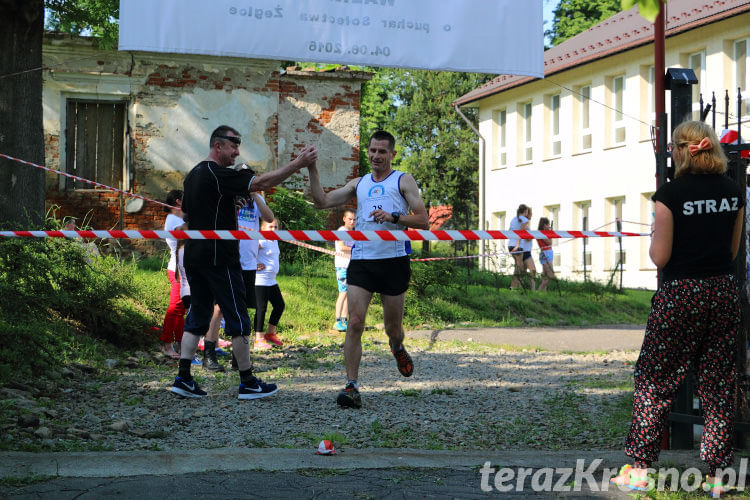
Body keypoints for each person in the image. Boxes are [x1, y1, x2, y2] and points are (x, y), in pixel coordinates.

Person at [611, 121, 744, 497]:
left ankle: (639, 469)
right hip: (722, 292)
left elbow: (660, 256)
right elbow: (732, 253)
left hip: (681, 294)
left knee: (655, 378)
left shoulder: (669, 195)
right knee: (718, 383)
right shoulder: (734, 192)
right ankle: (719, 475)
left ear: (681, 151)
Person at [170, 125, 317, 399]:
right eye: (233, 145)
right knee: (237, 314)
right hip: (219, 257)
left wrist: (226, 207)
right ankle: (248, 381)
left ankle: (183, 377)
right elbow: (261, 183)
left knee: (198, 315)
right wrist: (298, 164)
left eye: (238, 145)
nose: (237, 151)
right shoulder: (218, 173)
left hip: (194, 255)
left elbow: (189, 213)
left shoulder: (192, 176)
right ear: (217, 146)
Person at [307, 130, 429, 409]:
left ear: (392, 154)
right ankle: (352, 386)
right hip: (361, 260)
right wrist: (312, 168)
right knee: (355, 322)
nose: (376, 156)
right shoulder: (358, 183)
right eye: (372, 151)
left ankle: (397, 347)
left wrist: (394, 216)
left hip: (393, 260)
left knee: (392, 328)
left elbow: (423, 220)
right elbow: (322, 201)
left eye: (382, 151)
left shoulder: (403, 180)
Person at [204, 191, 275, 367]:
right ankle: (209, 355)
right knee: (219, 308)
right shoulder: (227, 196)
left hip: (249, 263)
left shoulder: (256, 199)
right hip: (227, 260)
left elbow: (269, 217)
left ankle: (239, 359)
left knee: (242, 309)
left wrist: (256, 195)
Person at [160, 190, 185, 359]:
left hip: (185, 268)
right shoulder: (174, 219)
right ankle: (166, 344)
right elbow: (184, 234)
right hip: (177, 269)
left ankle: (182, 344)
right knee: (174, 308)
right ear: (178, 202)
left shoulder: (179, 217)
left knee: (181, 309)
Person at [254, 218, 285, 347]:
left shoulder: (275, 240)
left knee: (279, 305)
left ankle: (270, 334)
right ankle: (258, 339)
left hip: (271, 281)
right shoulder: (261, 240)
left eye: (275, 227)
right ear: (262, 229)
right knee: (261, 308)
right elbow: (247, 252)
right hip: (260, 280)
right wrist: (254, 265)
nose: (273, 229)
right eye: (270, 227)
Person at [333, 209, 356, 332]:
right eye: (350, 219)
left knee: (349, 294)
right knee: (343, 293)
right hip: (342, 266)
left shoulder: (354, 232)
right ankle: (337, 321)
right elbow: (342, 247)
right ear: (344, 219)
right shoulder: (342, 231)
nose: (352, 221)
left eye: (354, 219)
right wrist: (356, 248)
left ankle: (344, 319)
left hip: (351, 266)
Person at [508, 204, 536, 290]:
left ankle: (516, 286)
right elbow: (521, 231)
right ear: (526, 211)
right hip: (518, 246)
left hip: (510, 245)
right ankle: (513, 287)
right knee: (519, 268)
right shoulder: (524, 219)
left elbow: (509, 231)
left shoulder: (513, 219)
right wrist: (518, 243)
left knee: (518, 267)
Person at [536, 217, 555, 292]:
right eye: (548, 224)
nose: (549, 226)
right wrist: (550, 234)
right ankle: (539, 290)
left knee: (545, 275)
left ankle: (543, 292)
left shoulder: (543, 233)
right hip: (546, 253)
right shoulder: (541, 233)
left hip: (546, 253)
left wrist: (550, 233)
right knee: (551, 275)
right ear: (544, 225)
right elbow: (549, 242)